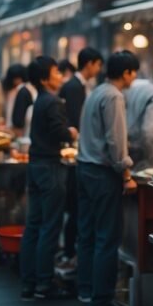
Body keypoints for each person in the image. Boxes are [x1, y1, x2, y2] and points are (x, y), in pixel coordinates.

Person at [75, 50, 139, 306]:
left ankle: (87, 292)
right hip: (102, 175)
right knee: (106, 239)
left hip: (84, 170)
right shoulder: (114, 95)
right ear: (126, 73)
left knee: (88, 235)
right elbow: (116, 141)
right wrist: (126, 173)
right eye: (133, 72)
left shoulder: (97, 91)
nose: (134, 77)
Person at [20, 56, 78, 301]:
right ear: (44, 79)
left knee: (33, 225)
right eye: (56, 72)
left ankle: (29, 283)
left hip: (35, 166)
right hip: (50, 167)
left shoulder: (40, 100)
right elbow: (59, 132)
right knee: (50, 226)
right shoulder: (52, 101)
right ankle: (44, 283)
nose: (60, 76)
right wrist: (71, 133)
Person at [57, 47, 103, 276]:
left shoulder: (79, 86)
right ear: (90, 64)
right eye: (98, 64)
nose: (99, 69)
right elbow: (76, 122)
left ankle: (70, 252)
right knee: (75, 209)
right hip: (76, 153)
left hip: (78, 153)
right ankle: (69, 253)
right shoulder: (75, 87)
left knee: (75, 209)